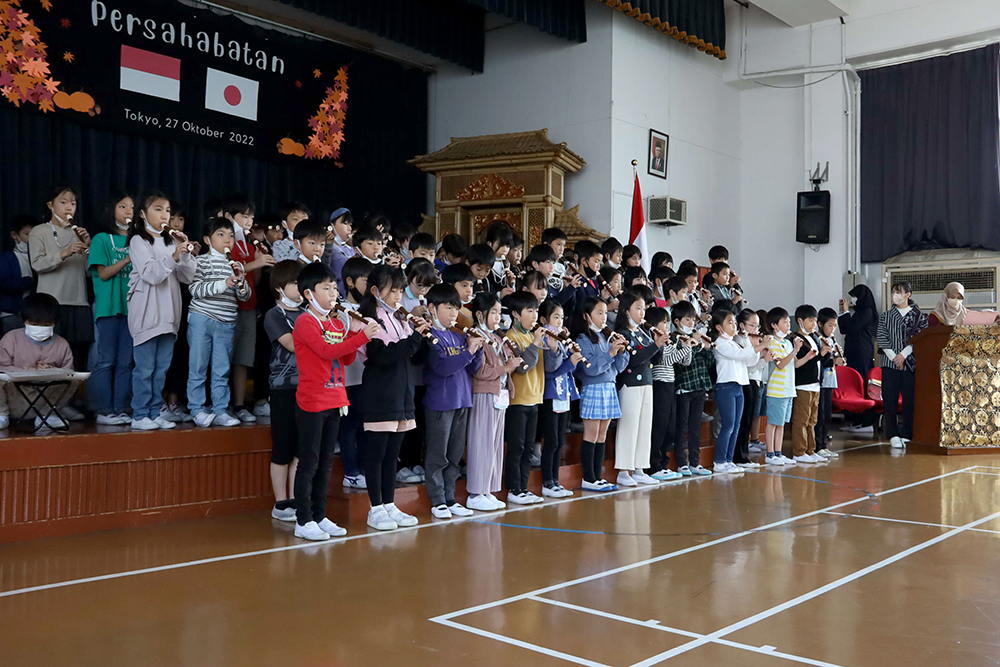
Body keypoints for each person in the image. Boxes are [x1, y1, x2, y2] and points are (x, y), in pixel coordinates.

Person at [292, 262, 376, 541]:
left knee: (327, 461)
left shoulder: (332, 321)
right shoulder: (306, 321)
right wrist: (360, 336)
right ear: (309, 293)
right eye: (325, 288)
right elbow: (327, 352)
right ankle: (303, 519)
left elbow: (347, 358)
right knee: (310, 461)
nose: (332, 293)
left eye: (333, 287)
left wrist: (352, 331)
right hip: (313, 400)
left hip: (335, 397)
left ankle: (320, 514)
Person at [359, 265, 430, 530]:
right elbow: (382, 356)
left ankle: (389, 504)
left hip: (402, 393)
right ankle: (375, 508)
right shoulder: (368, 319)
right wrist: (413, 339)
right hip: (380, 392)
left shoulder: (399, 318)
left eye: (401, 291)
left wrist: (423, 337)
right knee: (376, 454)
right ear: (376, 291)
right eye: (393, 291)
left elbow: (415, 357)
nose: (398, 296)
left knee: (392, 455)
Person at [127, 191, 196, 431]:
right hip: (147, 314)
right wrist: (174, 256)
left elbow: (188, 277)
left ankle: (155, 412)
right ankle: (139, 415)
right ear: (143, 214)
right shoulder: (138, 241)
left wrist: (183, 253)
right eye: (158, 209)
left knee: (161, 369)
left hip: (169, 315)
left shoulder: (171, 241)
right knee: (145, 369)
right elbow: (150, 274)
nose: (164, 215)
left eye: (167, 210)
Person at [423, 283, 483, 519]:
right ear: (432, 308)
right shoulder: (431, 335)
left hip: (462, 400)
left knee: (455, 453)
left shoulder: (457, 335)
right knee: (439, 453)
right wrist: (468, 351)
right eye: (448, 308)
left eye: (456, 309)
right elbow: (443, 367)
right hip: (440, 401)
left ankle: (450, 497)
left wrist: (476, 350)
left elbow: (473, 368)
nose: (452, 314)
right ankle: (437, 499)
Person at [186, 217, 251, 428]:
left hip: (226, 322)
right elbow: (195, 290)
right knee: (198, 366)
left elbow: (244, 297)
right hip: (202, 319)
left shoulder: (236, 264)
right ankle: (196, 409)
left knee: (221, 369)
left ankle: (220, 410)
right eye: (221, 235)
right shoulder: (200, 261)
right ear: (207, 239)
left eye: (231, 236)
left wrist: (241, 284)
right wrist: (223, 283)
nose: (227, 240)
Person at [467, 292, 522, 510]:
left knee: (495, 443)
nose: (498, 317)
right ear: (480, 314)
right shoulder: (475, 336)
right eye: (494, 312)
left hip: (500, 394)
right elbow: (479, 370)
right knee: (482, 441)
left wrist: (509, 358)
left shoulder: (498, 336)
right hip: (484, 393)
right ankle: (475, 492)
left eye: (500, 312)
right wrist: (505, 367)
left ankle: (489, 489)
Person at [29, 185, 92, 374]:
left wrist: (89, 247)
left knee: (78, 354)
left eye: (73, 203)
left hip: (79, 301)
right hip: (52, 302)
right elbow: (37, 264)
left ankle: (74, 399)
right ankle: (49, 396)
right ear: (50, 205)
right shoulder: (39, 231)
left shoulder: (79, 233)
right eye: (63, 202)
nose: (69, 207)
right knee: (50, 353)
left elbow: (90, 272)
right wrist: (64, 253)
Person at [225, 195, 276, 423]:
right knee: (222, 358)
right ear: (229, 217)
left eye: (251, 217)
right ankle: (218, 403)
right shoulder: (225, 242)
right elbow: (230, 272)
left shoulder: (249, 245)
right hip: (227, 308)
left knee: (243, 358)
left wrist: (257, 260)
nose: (248, 221)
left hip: (248, 306)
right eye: (243, 216)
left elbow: (253, 282)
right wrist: (256, 263)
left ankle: (239, 404)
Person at [613, 290, 669, 486]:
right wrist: (655, 344)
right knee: (629, 427)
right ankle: (623, 471)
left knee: (644, 427)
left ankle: (639, 468)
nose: (642, 312)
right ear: (626, 311)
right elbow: (634, 359)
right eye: (637, 308)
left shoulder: (644, 332)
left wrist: (659, 344)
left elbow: (656, 358)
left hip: (647, 383)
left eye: (643, 308)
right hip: (630, 384)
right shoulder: (623, 333)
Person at [88, 192, 134, 425]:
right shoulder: (101, 239)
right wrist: (127, 259)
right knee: (106, 361)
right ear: (111, 210)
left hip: (132, 309)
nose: (128, 211)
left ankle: (120, 408)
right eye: (122, 206)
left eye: (132, 207)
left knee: (126, 362)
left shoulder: (137, 240)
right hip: (108, 307)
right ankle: (104, 411)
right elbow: (103, 273)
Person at [0, 294, 79, 431]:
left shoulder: (62, 344)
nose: (41, 328)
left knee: (73, 380)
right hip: (14, 397)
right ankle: (1, 414)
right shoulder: (11, 338)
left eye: (47, 325)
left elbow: (69, 371)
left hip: (44, 398)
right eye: (34, 324)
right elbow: (2, 366)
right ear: (24, 320)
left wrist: (51, 370)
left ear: (55, 323)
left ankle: (49, 415)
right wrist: (22, 372)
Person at [263, 260, 305, 522]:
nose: (301, 289)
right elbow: (291, 344)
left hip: (307, 387)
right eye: (295, 283)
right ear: (280, 287)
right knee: (282, 447)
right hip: (282, 388)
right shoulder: (274, 315)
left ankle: (296, 498)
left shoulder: (308, 313)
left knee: (301, 448)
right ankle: (280, 503)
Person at [574, 296, 627, 490]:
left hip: (608, 387)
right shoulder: (583, 339)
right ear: (587, 316)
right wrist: (610, 354)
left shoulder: (607, 337)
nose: (604, 317)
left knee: (603, 433)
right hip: (593, 387)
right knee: (592, 432)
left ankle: (597, 476)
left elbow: (618, 369)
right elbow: (590, 369)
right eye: (599, 313)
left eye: (605, 313)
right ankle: (588, 478)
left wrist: (621, 352)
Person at [502, 290, 546, 504]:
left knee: (529, 447)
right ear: (516, 315)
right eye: (530, 311)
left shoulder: (533, 336)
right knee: (517, 447)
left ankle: (524, 487)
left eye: (536, 310)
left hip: (535, 398)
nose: (535, 315)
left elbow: (551, 366)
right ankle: (513, 489)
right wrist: (536, 344)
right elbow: (523, 367)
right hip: (518, 400)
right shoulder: (511, 337)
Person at [711, 309, 768, 473]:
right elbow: (738, 355)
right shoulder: (719, 343)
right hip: (726, 386)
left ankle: (729, 460)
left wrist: (756, 346)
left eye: (734, 322)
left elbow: (749, 360)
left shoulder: (735, 342)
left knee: (736, 426)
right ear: (719, 327)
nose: (734, 325)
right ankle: (720, 461)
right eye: (730, 323)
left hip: (739, 385)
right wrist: (760, 346)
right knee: (728, 425)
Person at [538, 300, 583, 497]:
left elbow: (564, 367)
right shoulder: (545, 339)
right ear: (543, 320)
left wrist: (571, 355)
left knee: (559, 441)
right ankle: (547, 482)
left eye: (561, 318)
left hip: (563, 393)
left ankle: (555, 480)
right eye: (555, 317)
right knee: (552, 440)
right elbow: (549, 372)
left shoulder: (559, 338)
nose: (559, 321)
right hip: (550, 394)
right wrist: (568, 363)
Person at [876, 281, 928, 450]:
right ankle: (892, 433)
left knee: (909, 401)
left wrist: (903, 355)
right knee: (889, 401)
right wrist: (894, 357)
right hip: (889, 364)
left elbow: (920, 338)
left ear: (908, 295)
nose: (895, 295)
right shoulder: (886, 316)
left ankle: (907, 433)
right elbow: (882, 338)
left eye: (898, 292)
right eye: (893, 292)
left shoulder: (919, 316)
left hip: (910, 364)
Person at [338, 257, 375, 489]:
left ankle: (362, 468)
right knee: (349, 427)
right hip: (347, 379)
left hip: (368, 377)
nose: (370, 287)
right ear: (350, 282)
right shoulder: (340, 311)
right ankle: (351, 471)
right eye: (365, 281)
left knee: (365, 425)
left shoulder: (371, 310)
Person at [645, 306, 690, 481]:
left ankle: (663, 463)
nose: (666, 326)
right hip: (659, 385)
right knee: (659, 426)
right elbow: (666, 360)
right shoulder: (654, 340)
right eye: (663, 322)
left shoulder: (669, 340)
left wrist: (687, 346)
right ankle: (654, 464)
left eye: (667, 322)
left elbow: (685, 362)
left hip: (670, 385)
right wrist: (684, 349)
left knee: (670, 427)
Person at [672, 301, 714, 476]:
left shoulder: (696, 339)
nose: (691, 323)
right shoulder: (675, 338)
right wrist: (694, 344)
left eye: (692, 320)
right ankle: (682, 462)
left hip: (699, 386)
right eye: (687, 320)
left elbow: (710, 362)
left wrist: (707, 348)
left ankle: (695, 462)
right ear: (677, 321)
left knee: (696, 426)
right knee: (682, 426)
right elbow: (683, 363)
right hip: (684, 388)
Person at [764, 307, 801, 466]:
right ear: (774, 325)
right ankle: (770, 454)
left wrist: (808, 355)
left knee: (781, 424)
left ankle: (778, 453)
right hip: (776, 390)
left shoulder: (787, 342)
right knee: (773, 423)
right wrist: (795, 351)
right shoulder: (771, 341)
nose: (788, 324)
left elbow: (795, 364)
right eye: (784, 322)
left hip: (788, 389)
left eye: (788, 321)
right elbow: (780, 364)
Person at [734, 309, 770, 467]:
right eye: (753, 325)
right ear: (742, 325)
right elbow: (748, 365)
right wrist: (760, 351)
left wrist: (764, 357)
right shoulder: (739, 339)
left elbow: (756, 366)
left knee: (748, 420)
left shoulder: (752, 340)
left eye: (758, 326)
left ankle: (744, 455)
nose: (756, 329)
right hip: (745, 381)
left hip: (755, 381)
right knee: (743, 421)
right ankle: (739, 456)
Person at [837, 284, 878, 405]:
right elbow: (844, 329)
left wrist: (846, 312)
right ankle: (855, 414)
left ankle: (865, 415)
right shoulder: (858, 313)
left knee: (862, 382)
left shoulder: (867, 312)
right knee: (853, 382)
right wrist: (843, 312)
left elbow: (852, 327)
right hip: (854, 352)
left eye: (855, 296)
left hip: (862, 352)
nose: (853, 300)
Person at [1, 215, 37, 337]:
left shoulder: (40, 258)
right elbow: (5, 283)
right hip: (12, 314)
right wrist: (30, 281)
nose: (31, 239)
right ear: (14, 235)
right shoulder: (7, 259)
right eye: (27, 235)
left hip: (35, 315)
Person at [815, 307, 844, 459]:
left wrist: (838, 359)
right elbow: (821, 360)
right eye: (830, 325)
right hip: (820, 381)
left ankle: (823, 444)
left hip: (830, 380)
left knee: (827, 415)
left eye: (835, 325)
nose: (833, 328)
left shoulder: (832, 339)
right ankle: (817, 445)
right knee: (820, 415)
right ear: (820, 324)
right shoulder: (818, 340)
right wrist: (833, 359)